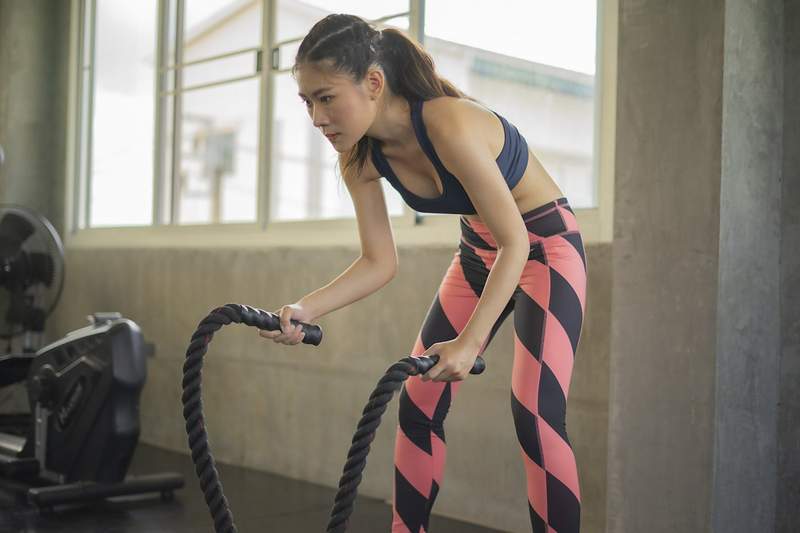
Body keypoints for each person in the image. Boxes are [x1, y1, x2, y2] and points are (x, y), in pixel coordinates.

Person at [259, 13, 587, 533]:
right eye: (307, 102)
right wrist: (305, 308)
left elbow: (517, 241)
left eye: (325, 97)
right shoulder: (361, 155)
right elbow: (378, 262)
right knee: (417, 406)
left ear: (373, 83)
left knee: (537, 417)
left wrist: (469, 344)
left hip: (544, 250)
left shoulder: (448, 123)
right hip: (480, 253)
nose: (317, 117)